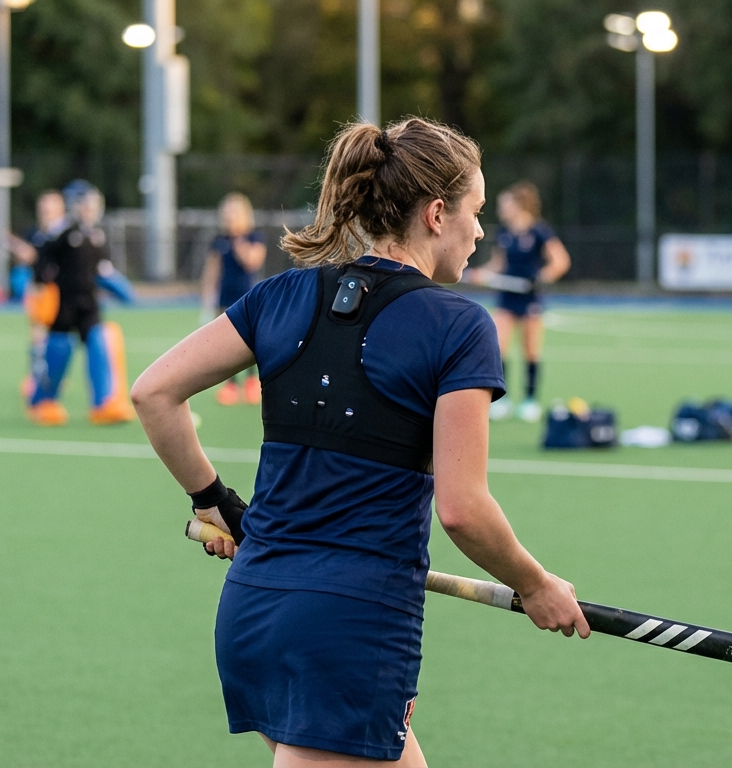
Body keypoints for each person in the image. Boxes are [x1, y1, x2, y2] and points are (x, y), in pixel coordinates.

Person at [131, 117, 589, 768]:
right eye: (475, 212)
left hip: (251, 613)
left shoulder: (280, 295)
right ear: (436, 214)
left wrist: (212, 499)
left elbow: (154, 394)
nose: (481, 230)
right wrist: (535, 584)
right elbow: (462, 508)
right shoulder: (458, 327)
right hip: (346, 629)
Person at [27, 180, 137, 426]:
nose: (90, 209)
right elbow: (41, 267)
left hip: (89, 304)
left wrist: (123, 290)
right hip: (62, 306)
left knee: (100, 343)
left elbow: (103, 270)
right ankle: (42, 401)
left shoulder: (95, 235)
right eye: (85, 203)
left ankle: (105, 403)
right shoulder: (61, 234)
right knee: (58, 350)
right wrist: (38, 302)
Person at [474, 181, 570, 422]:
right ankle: (501, 400)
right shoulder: (504, 232)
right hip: (506, 297)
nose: (501, 209)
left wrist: (539, 279)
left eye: (505, 204)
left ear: (519, 205)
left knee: (530, 351)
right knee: (498, 347)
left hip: (530, 299)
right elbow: (498, 264)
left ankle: (529, 401)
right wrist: (482, 274)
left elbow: (560, 261)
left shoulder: (539, 231)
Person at [199, 192, 267, 406]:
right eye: (226, 213)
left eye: (234, 212)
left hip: (247, 298)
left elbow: (252, 262)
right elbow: (212, 271)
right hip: (224, 298)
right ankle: (230, 384)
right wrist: (206, 301)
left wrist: (238, 240)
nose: (229, 217)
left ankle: (251, 382)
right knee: (226, 345)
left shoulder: (254, 237)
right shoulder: (219, 241)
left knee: (250, 342)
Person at [12, 190, 67, 401]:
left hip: (60, 293)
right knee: (37, 339)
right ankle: (38, 379)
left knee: (58, 339)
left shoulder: (64, 236)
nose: (45, 214)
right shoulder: (35, 234)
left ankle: (53, 377)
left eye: (49, 209)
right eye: (42, 210)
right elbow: (28, 263)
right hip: (39, 293)